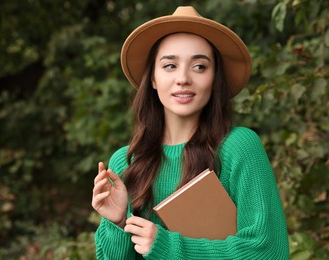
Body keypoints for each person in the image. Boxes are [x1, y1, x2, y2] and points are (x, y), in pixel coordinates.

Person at [92, 6, 289, 260]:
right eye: (170, 65)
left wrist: (167, 247)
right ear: (152, 78)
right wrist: (119, 223)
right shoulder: (126, 162)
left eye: (199, 67)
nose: (183, 78)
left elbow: (269, 251)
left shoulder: (238, 147)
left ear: (214, 77)